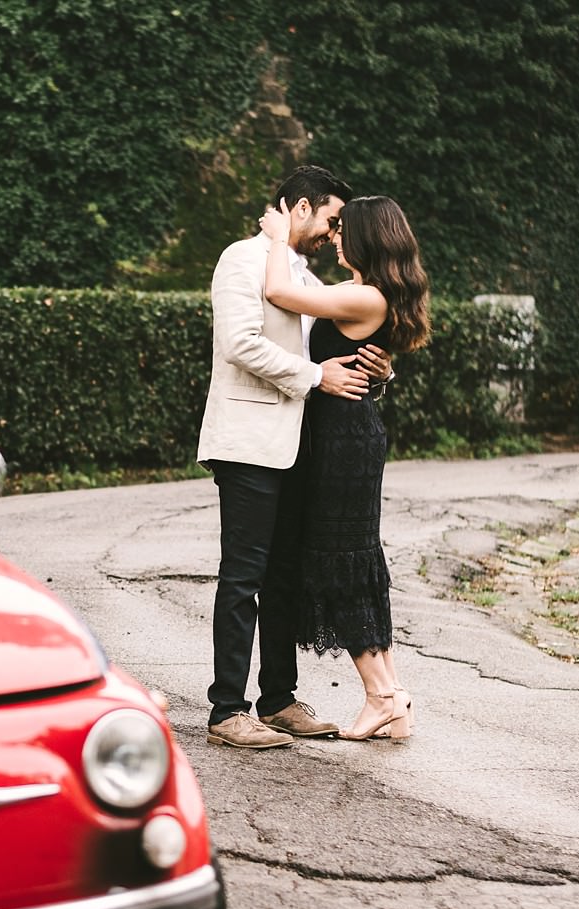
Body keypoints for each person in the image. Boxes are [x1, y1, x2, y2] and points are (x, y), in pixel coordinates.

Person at [197, 165, 390, 750]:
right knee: (244, 576)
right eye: (331, 218)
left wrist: (377, 372)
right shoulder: (242, 259)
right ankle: (227, 710)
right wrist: (315, 377)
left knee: (285, 576)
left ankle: (278, 700)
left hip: (299, 444)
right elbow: (241, 344)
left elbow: (334, 349)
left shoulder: (300, 273)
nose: (335, 233)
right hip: (249, 441)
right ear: (300, 207)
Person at [257, 193, 430, 740]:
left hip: (342, 441)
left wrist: (277, 239)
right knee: (355, 559)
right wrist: (384, 373)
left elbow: (279, 292)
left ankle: (380, 695)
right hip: (347, 434)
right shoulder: (364, 294)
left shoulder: (364, 296)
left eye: (343, 230)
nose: (334, 237)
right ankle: (393, 695)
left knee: (340, 562)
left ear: (366, 239)